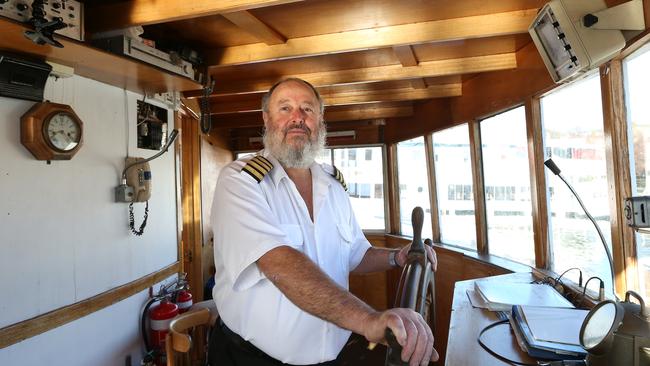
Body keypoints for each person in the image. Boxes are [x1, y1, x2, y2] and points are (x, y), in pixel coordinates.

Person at [208, 78, 438, 366]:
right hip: (251, 358)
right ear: (266, 119)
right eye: (285, 108)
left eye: (307, 109)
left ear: (320, 120)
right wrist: (368, 320)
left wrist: (396, 257)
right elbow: (278, 262)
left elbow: (356, 255)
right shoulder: (241, 180)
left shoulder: (334, 185)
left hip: (333, 357)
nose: (297, 118)